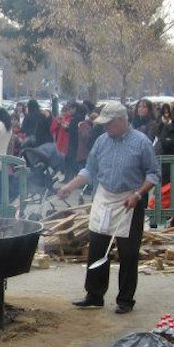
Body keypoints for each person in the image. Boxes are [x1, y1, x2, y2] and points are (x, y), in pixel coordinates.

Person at [56, 102, 159, 314]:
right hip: (104, 196)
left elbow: (152, 174)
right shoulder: (102, 141)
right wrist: (69, 186)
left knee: (128, 253)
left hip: (130, 198)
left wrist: (138, 194)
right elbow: (89, 170)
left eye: (108, 124)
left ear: (121, 121)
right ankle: (94, 295)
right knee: (97, 248)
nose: (105, 128)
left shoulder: (141, 142)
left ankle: (125, 300)